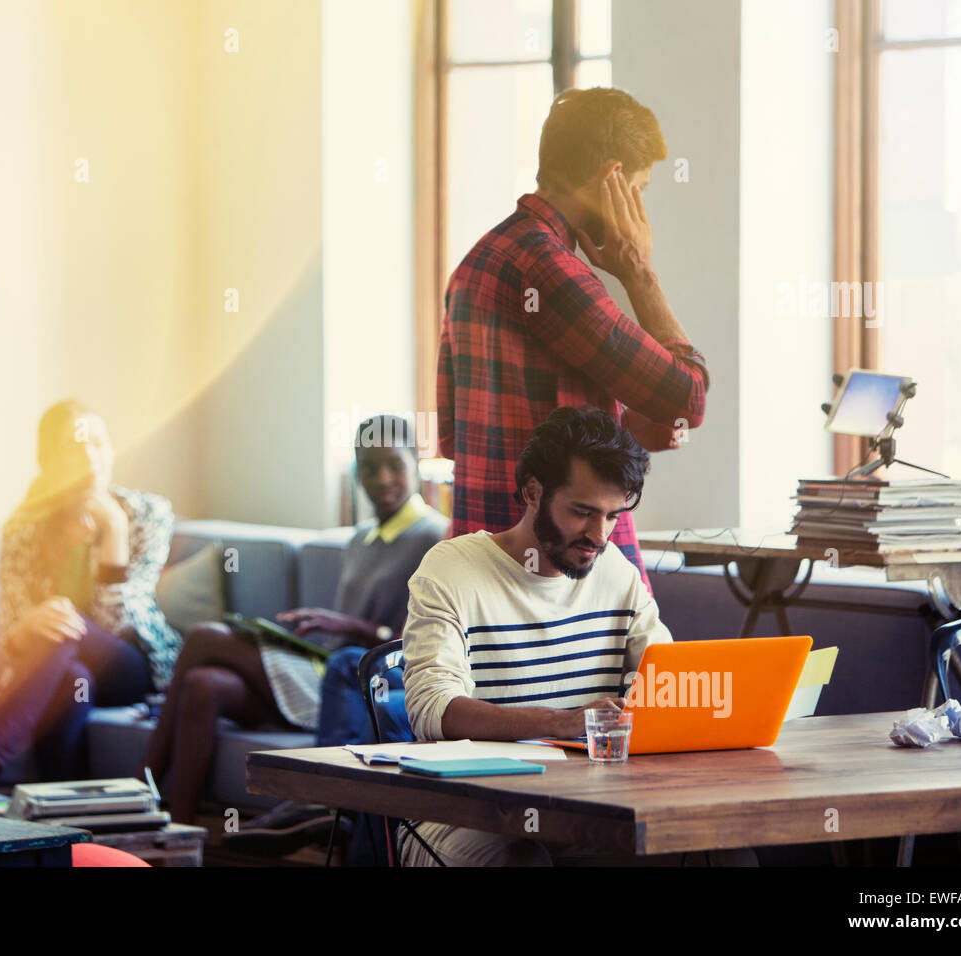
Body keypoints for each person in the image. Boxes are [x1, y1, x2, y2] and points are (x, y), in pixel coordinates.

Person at [399, 406, 753, 866]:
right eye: (582, 512)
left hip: (593, 806)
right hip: (469, 813)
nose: (598, 535)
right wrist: (562, 722)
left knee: (723, 853)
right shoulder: (452, 569)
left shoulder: (616, 574)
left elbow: (667, 679)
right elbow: (433, 711)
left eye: (611, 516)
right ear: (533, 491)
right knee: (522, 860)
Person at [438, 85, 710, 593]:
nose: (641, 207)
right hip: (568, 570)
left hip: (485, 566)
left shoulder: (474, 264)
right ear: (613, 177)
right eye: (641, 188)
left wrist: (625, 426)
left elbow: (469, 435)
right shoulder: (553, 270)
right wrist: (639, 273)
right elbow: (688, 396)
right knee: (637, 676)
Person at [144, 414, 449, 827]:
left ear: (416, 462)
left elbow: (414, 643)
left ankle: (138, 788)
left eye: (395, 465)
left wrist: (347, 625)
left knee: (204, 637)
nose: (382, 480)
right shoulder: (360, 539)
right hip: (322, 668)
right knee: (203, 685)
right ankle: (177, 834)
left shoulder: (435, 535)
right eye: (370, 467)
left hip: (356, 685)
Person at [0, 400, 180, 799]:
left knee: (69, 626)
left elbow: (123, 623)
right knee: (73, 678)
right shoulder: (25, 527)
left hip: (132, 667)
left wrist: (114, 535)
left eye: (98, 443)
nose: (89, 457)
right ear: (49, 462)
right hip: (59, 667)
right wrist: (29, 623)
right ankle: (60, 814)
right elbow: (11, 639)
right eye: (74, 446)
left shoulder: (147, 514)